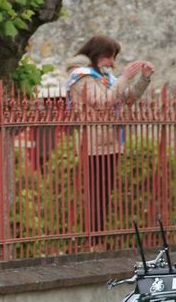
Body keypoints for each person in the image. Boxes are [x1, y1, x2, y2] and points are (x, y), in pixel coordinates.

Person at [64, 35, 154, 235]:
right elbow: (104, 101)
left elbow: (127, 98)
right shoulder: (82, 77)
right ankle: (93, 239)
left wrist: (143, 78)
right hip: (93, 144)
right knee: (95, 194)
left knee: (104, 194)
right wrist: (123, 77)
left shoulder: (105, 78)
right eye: (108, 57)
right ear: (96, 55)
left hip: (111, 143)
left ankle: (99, 237)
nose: (112, 63)